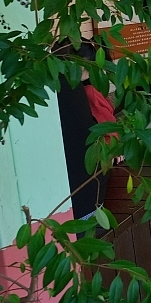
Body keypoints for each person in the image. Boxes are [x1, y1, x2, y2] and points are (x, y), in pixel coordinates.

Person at [53, 39, 116, 219]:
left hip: (74, 200)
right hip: (91, 193)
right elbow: (108, 128)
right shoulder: (84, 92)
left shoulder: (57, 88)